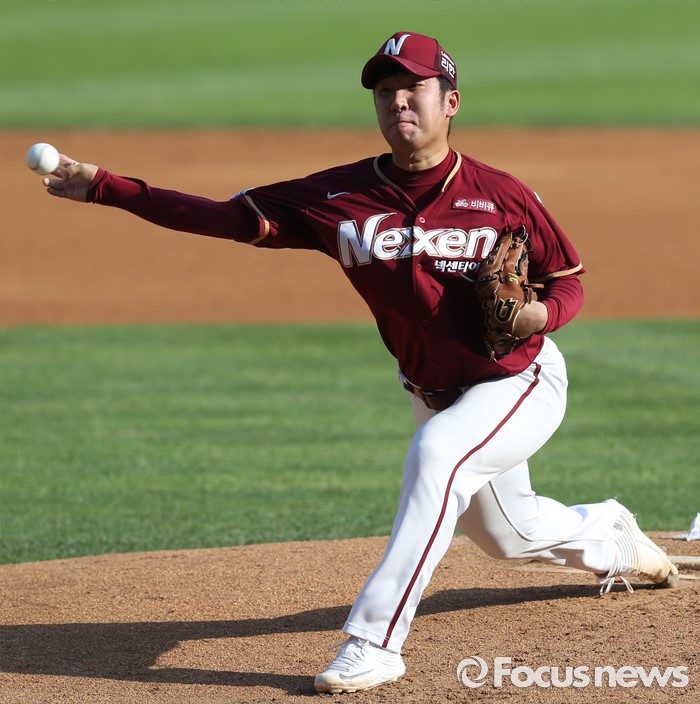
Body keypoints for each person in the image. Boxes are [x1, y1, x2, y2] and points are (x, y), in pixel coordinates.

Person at [41, 31, 678, 695]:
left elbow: (567, 279)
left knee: (439, 455)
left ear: (451, 101)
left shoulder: (501, 194)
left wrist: (540, 316)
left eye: (413, 88)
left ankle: (374, 641)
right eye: (385, 90)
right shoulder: (338, 196)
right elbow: (225, 218)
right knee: (509, 536)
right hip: (434, 390)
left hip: (519, 382)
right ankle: (609, 534)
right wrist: (107, 188)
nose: (398, 100)